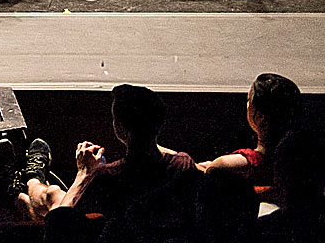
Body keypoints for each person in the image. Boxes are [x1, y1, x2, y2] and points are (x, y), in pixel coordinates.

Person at [14, 83, 194, 222]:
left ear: (120, 129)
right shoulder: (182, 164)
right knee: (50, 194)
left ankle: (30, 179)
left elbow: (61, 221)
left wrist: (84, 173)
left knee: (51, 196)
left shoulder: (106, 177)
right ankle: (22, 193)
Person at [198, 71, 302, 190]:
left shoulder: (232, 166)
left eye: (249, 101)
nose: (247, 106)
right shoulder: (305, 165)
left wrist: (215, 168)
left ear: (260, 117)